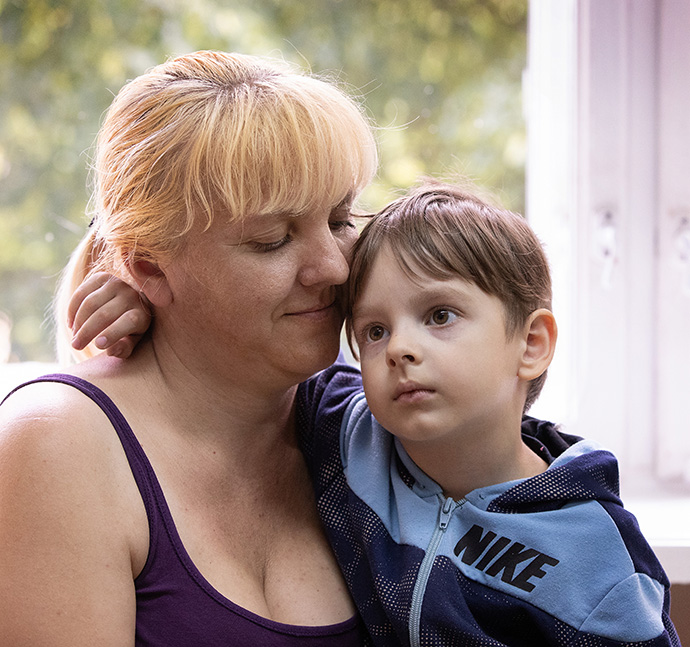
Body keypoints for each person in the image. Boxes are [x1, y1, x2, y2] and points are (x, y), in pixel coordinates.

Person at [66, 180, 681, 646]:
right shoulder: (350, 431)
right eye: (375, 330)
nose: (402, 349)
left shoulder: (596, 556)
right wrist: (151, 300)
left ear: (531, 344)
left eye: (440, 315)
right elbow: (219, 349)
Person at [0, 50, 379, 646]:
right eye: (271, 241)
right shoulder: (58, 445)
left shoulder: (362, 421)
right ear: (147, 264)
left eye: (339, 220)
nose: (332, 268)